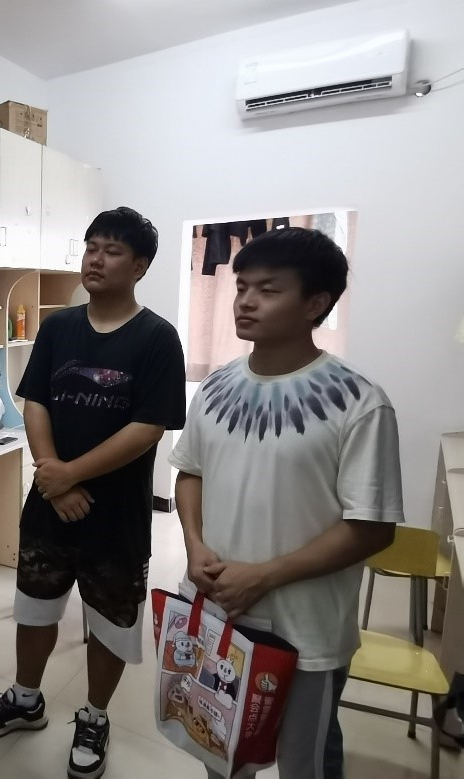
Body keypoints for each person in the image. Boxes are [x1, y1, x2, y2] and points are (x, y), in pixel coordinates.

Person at [169, 226, 403, 778]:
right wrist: (195, 544)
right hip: (218, 611)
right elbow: (190, 472)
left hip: (305, 630)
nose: (245, 301)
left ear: (315, 304)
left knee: (305, 764)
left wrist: (265, 576)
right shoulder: (215, 387)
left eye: (268, 290)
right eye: (242, 287)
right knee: (219, 749)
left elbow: (371, 527)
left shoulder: (359, 402)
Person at [0, 207, 186, 779]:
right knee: (34, 607)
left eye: (112, 250)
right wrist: (51, 472)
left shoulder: (157, 338)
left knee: (110, 621)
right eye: (91, 247)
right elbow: (36, 399)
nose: (96, 258)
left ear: (139, 266)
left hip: (116, 516)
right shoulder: (59, 327)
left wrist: (70, 474)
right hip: (49, 503)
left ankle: (94, 715)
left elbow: (148, 428)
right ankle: (25, 698)